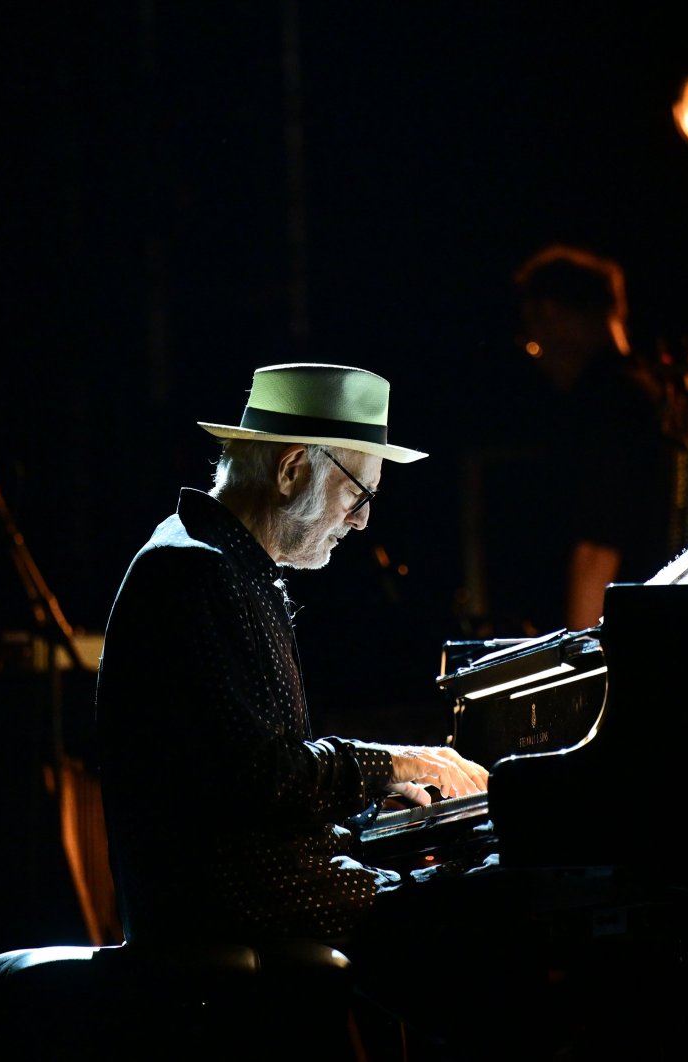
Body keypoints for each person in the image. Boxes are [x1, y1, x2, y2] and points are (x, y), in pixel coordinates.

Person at [93, 362, 501, 1046]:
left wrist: (373, 811)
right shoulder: (199, 571)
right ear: (291, 471)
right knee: (507, 914)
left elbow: (248, 784)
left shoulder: (219, 560)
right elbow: (265, 779)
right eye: (358, 491)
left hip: (257, 889)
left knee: (477, 887)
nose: (364, 519)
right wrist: (393, 765)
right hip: (239, 908)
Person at [473, 244, 673, 634]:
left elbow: (598, 548)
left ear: (551, 313)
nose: (534, 349)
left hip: (617, 639)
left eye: (533, 333)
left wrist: (578, 666)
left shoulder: (608, 404)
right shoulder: (648, 397)